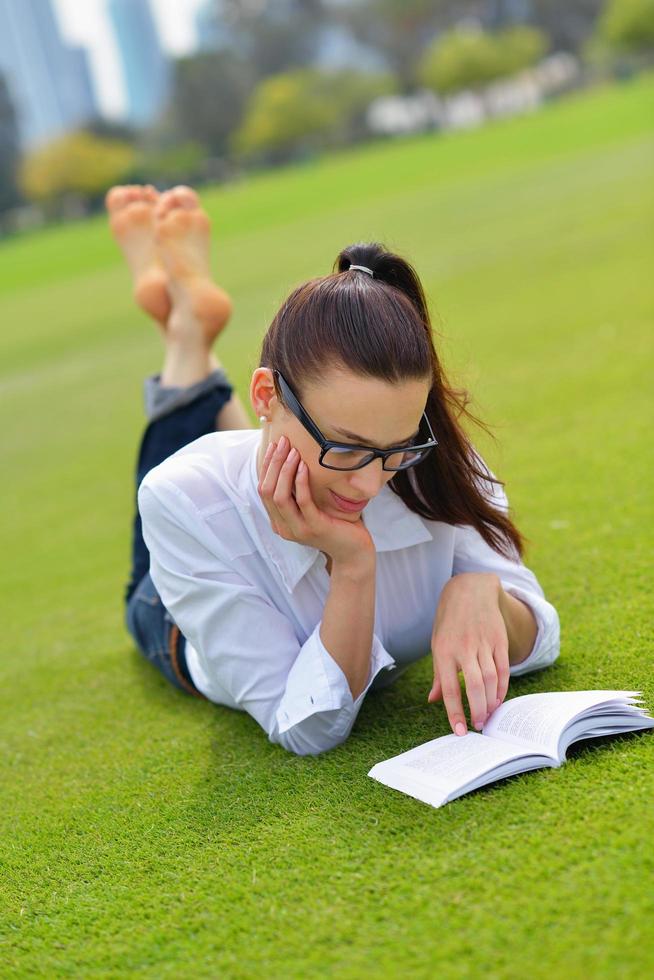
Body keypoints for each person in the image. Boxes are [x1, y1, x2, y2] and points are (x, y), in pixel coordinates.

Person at [108, 183, 560, 757]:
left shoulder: (425, 455)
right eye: (347, 448)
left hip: (271, 440)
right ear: (264, 394)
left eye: (393, 450)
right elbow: (306, 727)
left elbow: (540, 633)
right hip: (174, 612)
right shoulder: (187, 502)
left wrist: (481, 591)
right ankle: (187, 335)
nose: (372, 484)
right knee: (163, 536)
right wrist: (352, 564)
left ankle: (189, 324)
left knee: (279, 453)